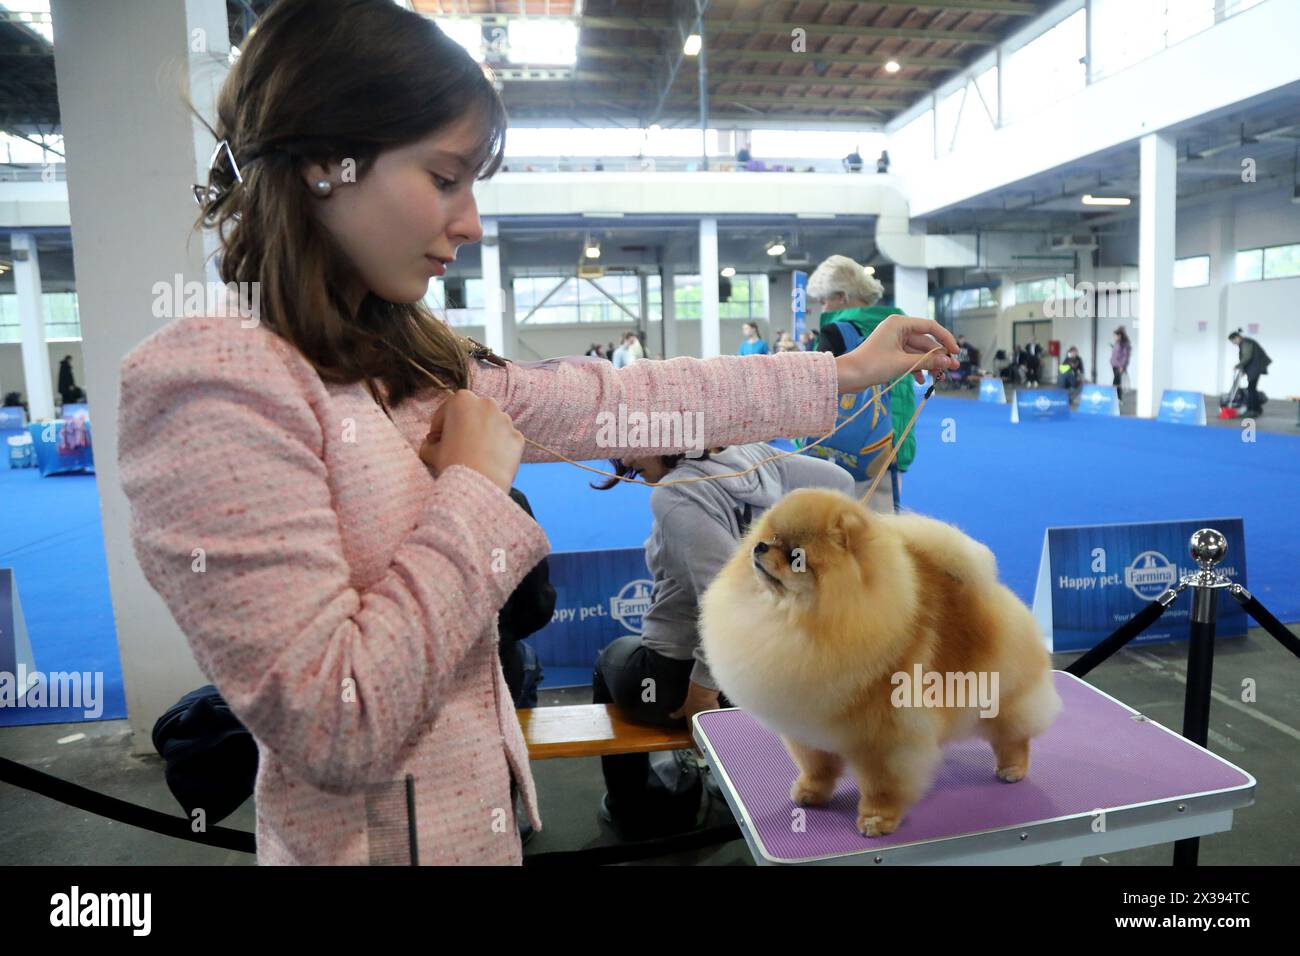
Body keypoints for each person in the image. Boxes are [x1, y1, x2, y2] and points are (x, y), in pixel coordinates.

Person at [116, 0, 958, 867]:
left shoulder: (408, 360)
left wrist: (845, 372)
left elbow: (623, 399)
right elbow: (337, 723)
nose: (471, 221)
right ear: (327, 164)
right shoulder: (209, 384)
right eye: (444, 178)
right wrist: (474, 492)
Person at [590, 445, 854, 838]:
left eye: (629, 450)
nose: (626, 463)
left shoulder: (675, 494)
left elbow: (734, 599)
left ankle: (628, 806)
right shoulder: (751, 457)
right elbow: (841, 483)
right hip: (768, 670)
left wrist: (703, 691)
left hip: (691, 674)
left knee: (608, 662)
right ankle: (728, 781)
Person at [807, 255, 917, 500]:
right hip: (891, 446)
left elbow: (813, 388)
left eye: (824, 300)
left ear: (842, 297)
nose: (823, 308)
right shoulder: (901, 329)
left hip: (843, 454)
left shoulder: (835, 332)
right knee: (881, 528)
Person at [1228, 329, 1271, 417]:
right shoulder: (1245, 342)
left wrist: (1238, 366)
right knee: (1252, 389)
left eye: (1233, 341)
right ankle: (1257, 409)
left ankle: (1253, 411)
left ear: (1236, 338)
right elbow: (1247, 358)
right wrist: (1243, 370)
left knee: (1251, 389)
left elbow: (1247, 357)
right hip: (1254, 368)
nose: (1233, 343)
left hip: (1255, 368)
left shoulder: (1246, 343)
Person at [1110, 326, 1131, 401]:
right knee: (1117, 382)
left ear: (1120, 336)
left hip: (1119, 366)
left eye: (1115, 336)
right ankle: (1118, 398)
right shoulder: (1117, 343)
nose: (1114, 337)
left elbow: (1125, 356)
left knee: (1116, 382)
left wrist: (1122, 366)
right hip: (1114, 365)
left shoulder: (1125, 344)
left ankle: (1116, 398)